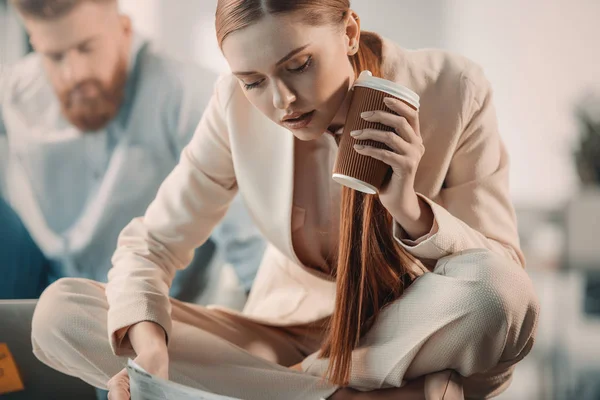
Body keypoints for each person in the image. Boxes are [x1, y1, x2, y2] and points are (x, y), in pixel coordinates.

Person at [31, 1, 540, 399]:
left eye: (298, 65)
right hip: (282, 334)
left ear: (349, 31)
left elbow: (501, 276)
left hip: (402, 338)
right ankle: (351, 397)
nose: (282, 102)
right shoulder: (233, 107)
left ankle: (268, 389)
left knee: (500, 294)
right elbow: (151, 243)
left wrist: (410, 208)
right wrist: (151, 357)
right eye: (253, 81)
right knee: (61, 315)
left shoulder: (455, 88)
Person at [0, 0, 265, 301]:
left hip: (152, 304)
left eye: (87, 48)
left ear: (125, 29)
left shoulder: (186, 94)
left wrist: (277, 326)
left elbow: (249, 238)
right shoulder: (16, 91)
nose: (74, 73)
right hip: (44, 290)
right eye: (55, 57)